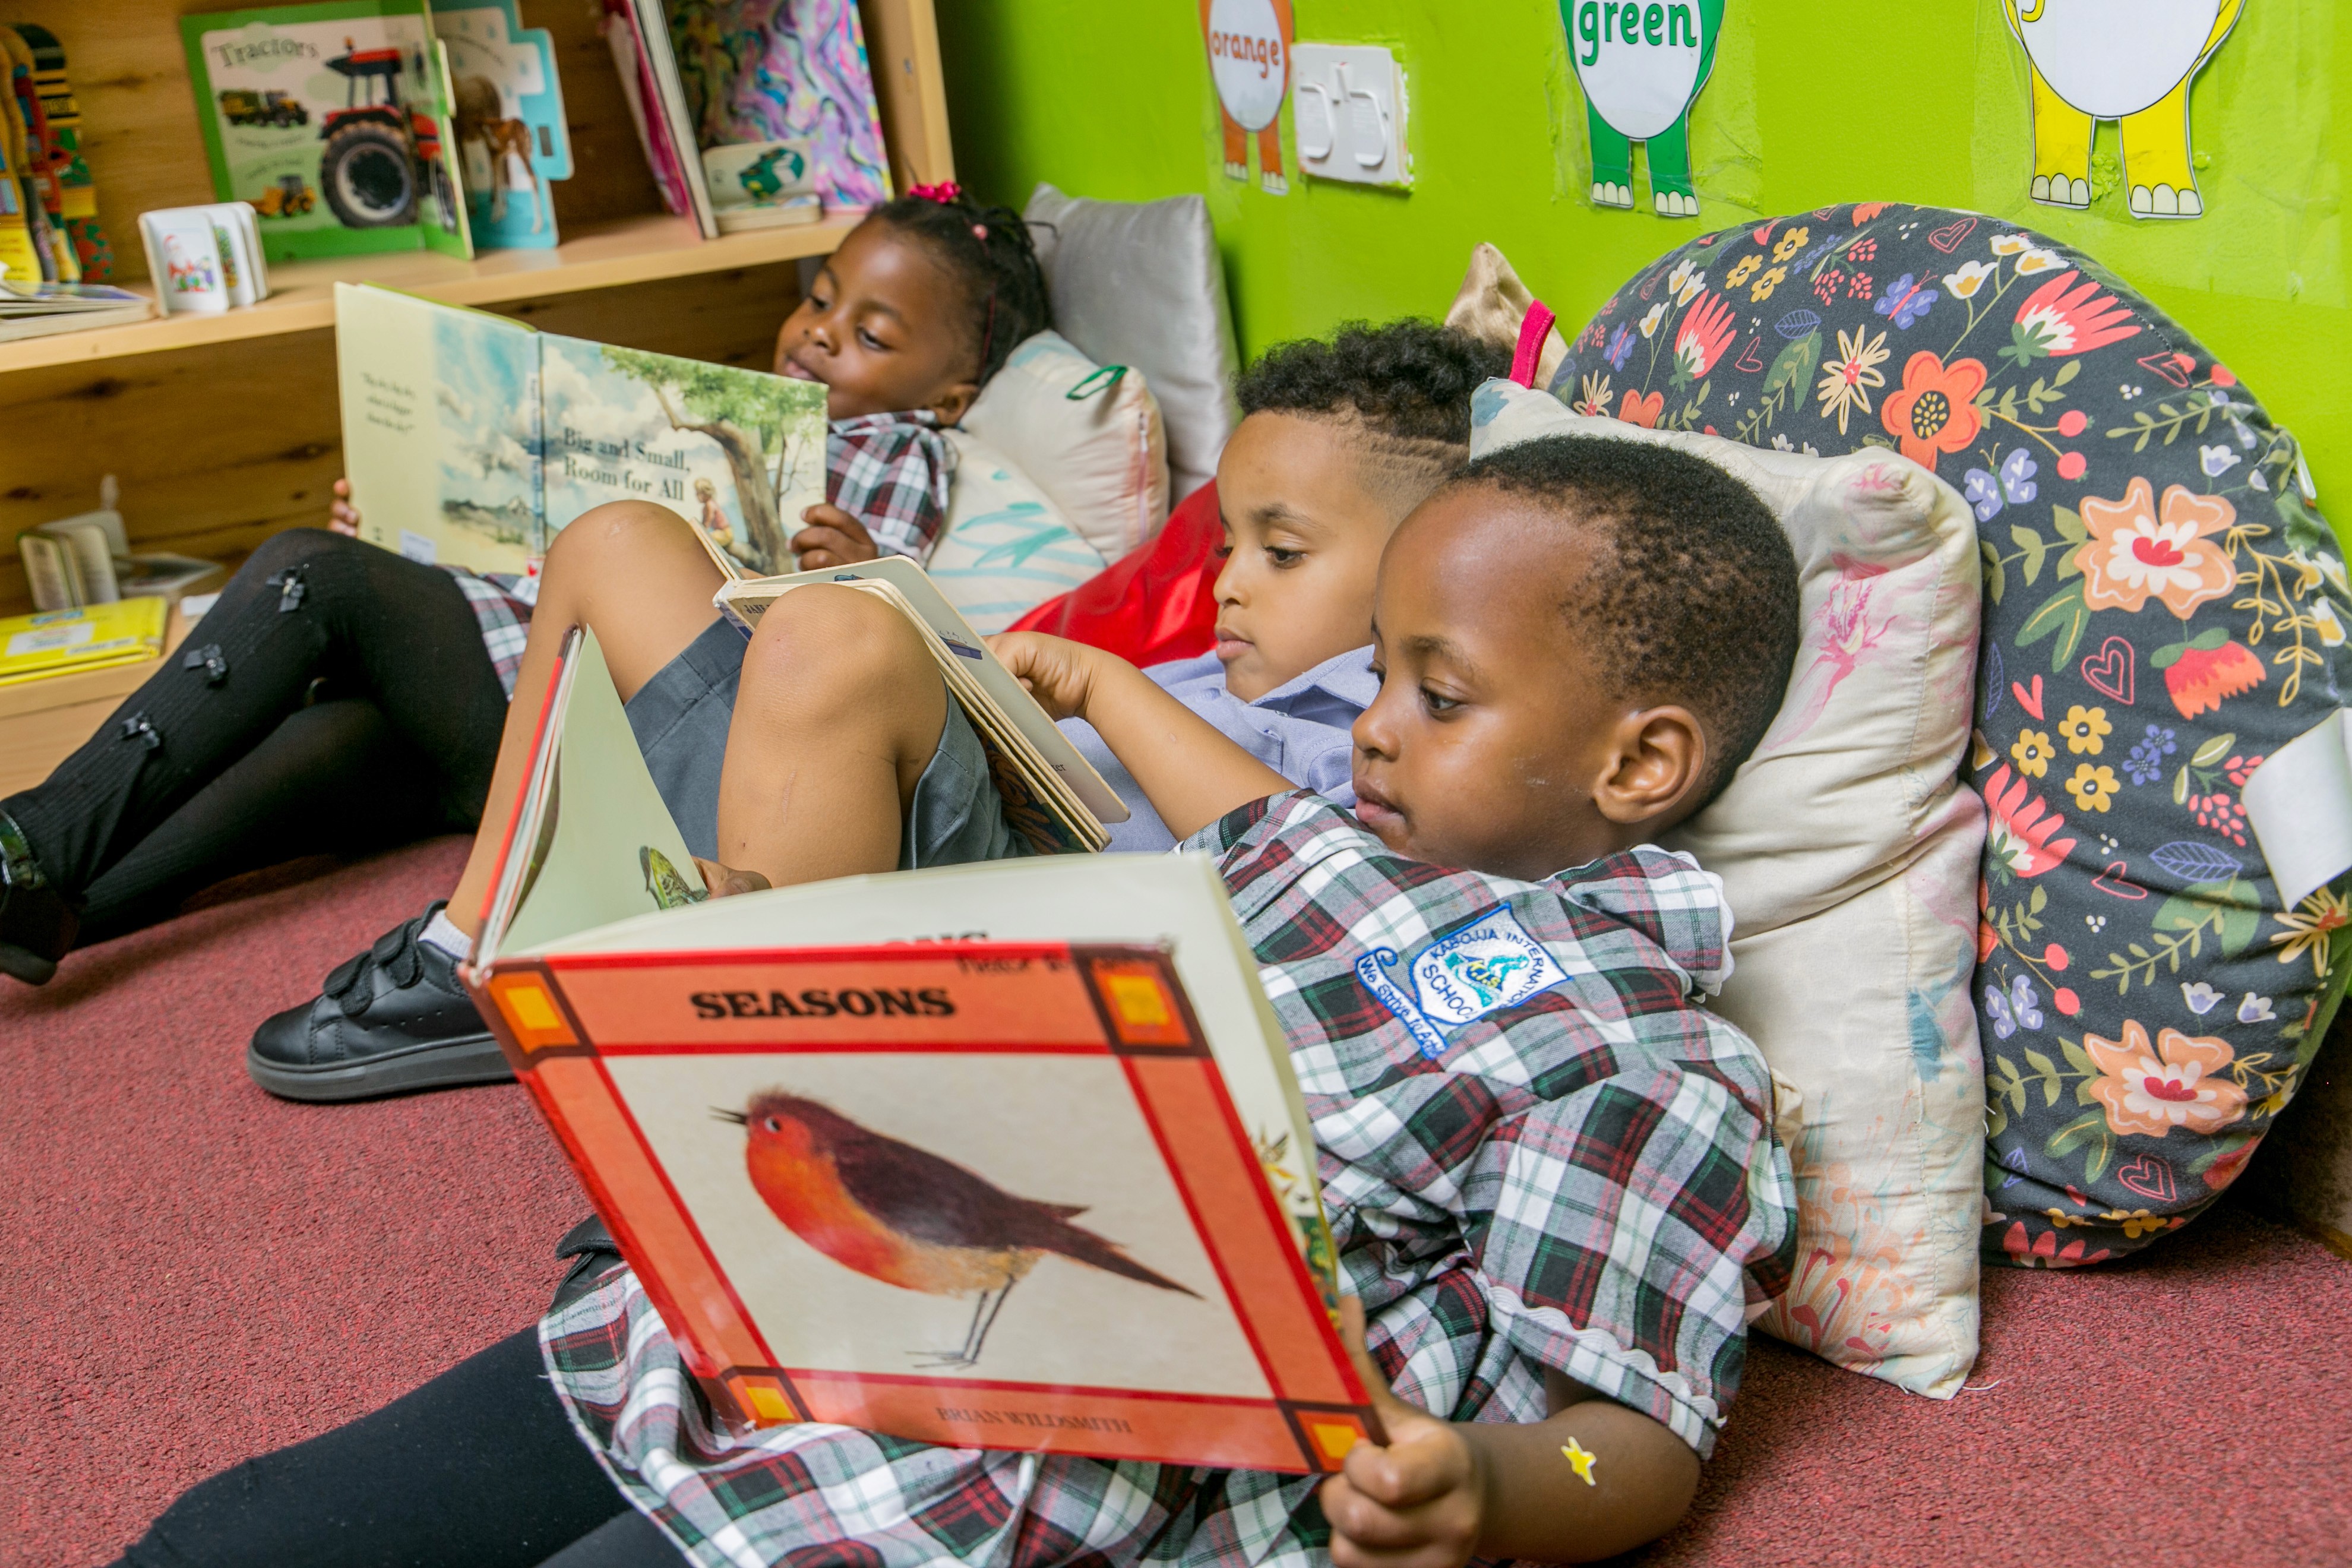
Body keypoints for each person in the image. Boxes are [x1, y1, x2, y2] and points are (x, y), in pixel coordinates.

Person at [113, 432, 1806, 1568]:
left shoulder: (1643, 1060)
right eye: (1377, 672)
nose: (1369, 723)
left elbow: (1633, 1439)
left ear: (1639, 763)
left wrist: (1486, 1490)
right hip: (767, 1318)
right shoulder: (1336, 850)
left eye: (1436, 695)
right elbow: (1234, 807)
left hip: (1041, 1472)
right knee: (229, 1540)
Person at [238, 320, 1509, 1100]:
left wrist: (1103, 688)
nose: (1227, 582)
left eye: (1281, 554)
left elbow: (1327, 884)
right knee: (618, 542)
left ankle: (759, 1090)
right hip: (871, 829)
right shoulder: (1217, 668)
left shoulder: (1387, 734)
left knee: (836, 635)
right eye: (1225, 544)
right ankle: (480, 945)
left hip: (1005, 939)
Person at [0, 185, 1045, 990]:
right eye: (820, 298)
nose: (820, 331)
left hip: (568, 701)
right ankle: (48, 894)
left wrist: (849, 559)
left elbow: (869, 623)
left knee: (308, 575)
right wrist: (405, 526)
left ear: (953, 394)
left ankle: (30, 841)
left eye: (871, 335)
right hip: (504, 695)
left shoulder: (896, 447)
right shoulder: (737, 406)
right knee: (294, 768)